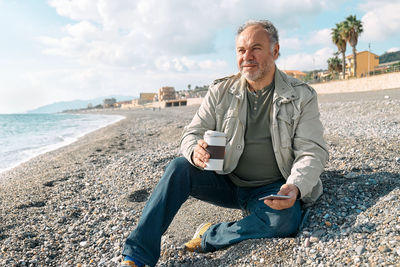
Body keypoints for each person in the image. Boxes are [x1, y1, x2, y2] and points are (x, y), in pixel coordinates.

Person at [120, 19, 328, 267]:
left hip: (272, 188)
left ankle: (209, 234)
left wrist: (295, 186)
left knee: (285, 222)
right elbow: (191, 133)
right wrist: (194, 151)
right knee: (178, 168)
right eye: (241, 50)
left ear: (275, 51)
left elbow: (311, 151)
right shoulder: (221, 91)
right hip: (227, 179)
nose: (247, 57)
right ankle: (137, 257)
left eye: (256, 48)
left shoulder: (301, 95)